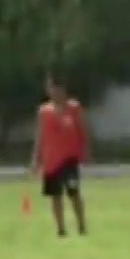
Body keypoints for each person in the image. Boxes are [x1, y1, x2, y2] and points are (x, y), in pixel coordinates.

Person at [30, 77, 88, 236]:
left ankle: (82, 226)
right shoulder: (44, 111)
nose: (55, 93)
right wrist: (36, 159)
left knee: (74, 192)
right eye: (51, 89)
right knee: (55, 196)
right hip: (51, 161)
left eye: (58, 89)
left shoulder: (74, 108)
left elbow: (82, 131)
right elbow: (40, 136)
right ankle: (61, 228)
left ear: (63, 90)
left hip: (69, 159)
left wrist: (85, 152)